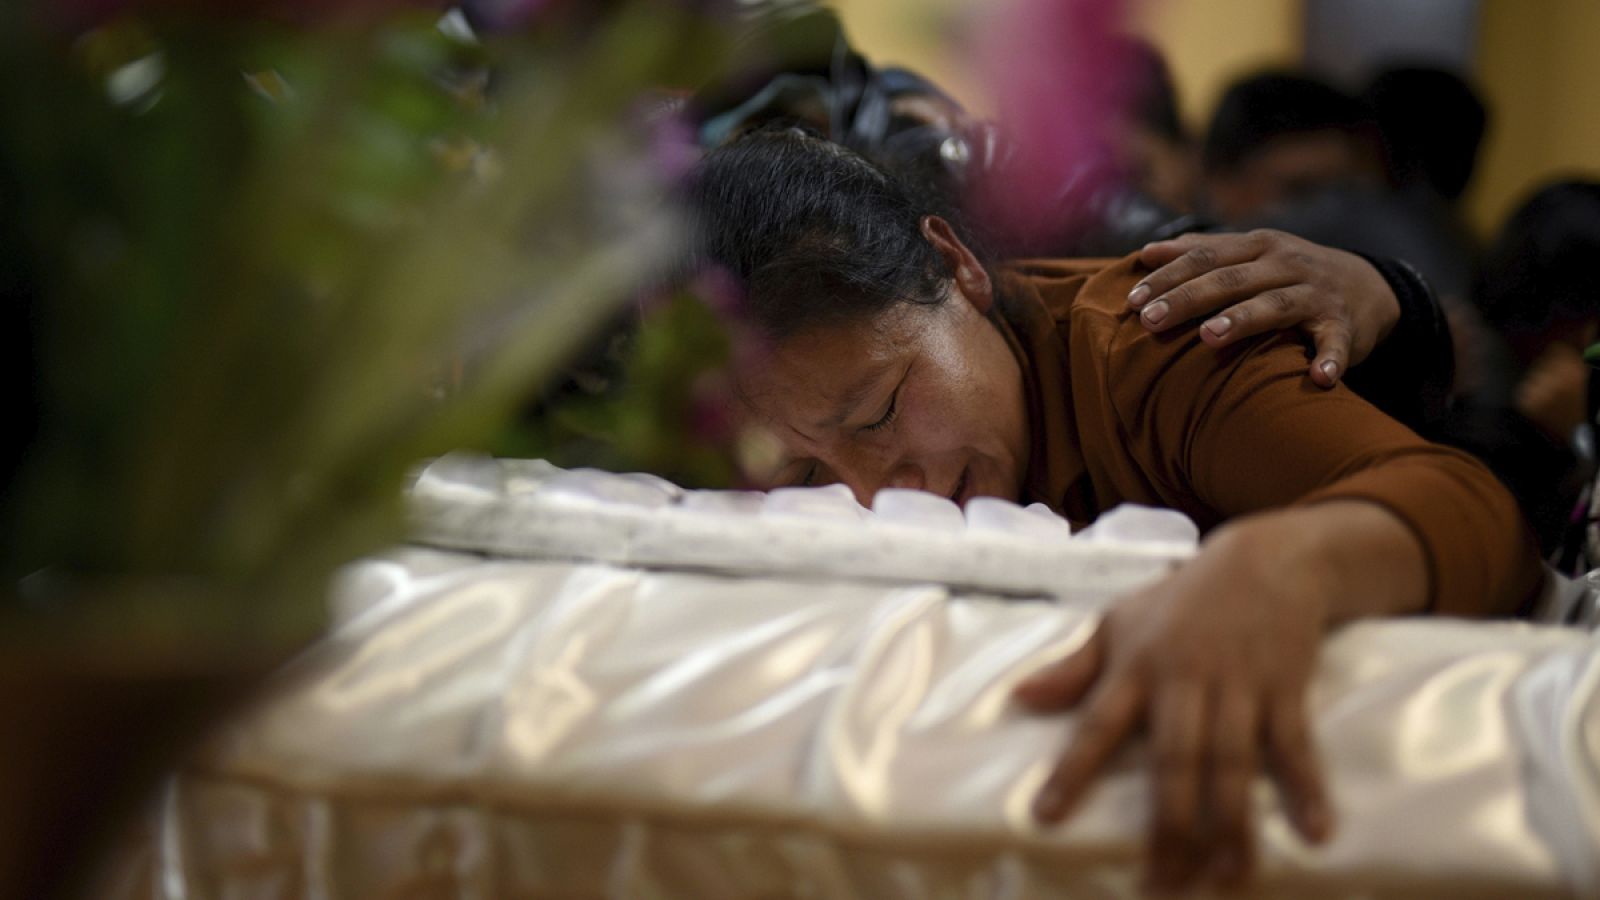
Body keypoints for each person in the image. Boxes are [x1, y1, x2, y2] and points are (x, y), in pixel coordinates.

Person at [685, 125, 1543, 891]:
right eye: (803, 476)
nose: (875, 497)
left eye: (879, 412)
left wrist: (1281, 566)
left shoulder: (1164, 342)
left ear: (955, 268)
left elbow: (1477, 512)